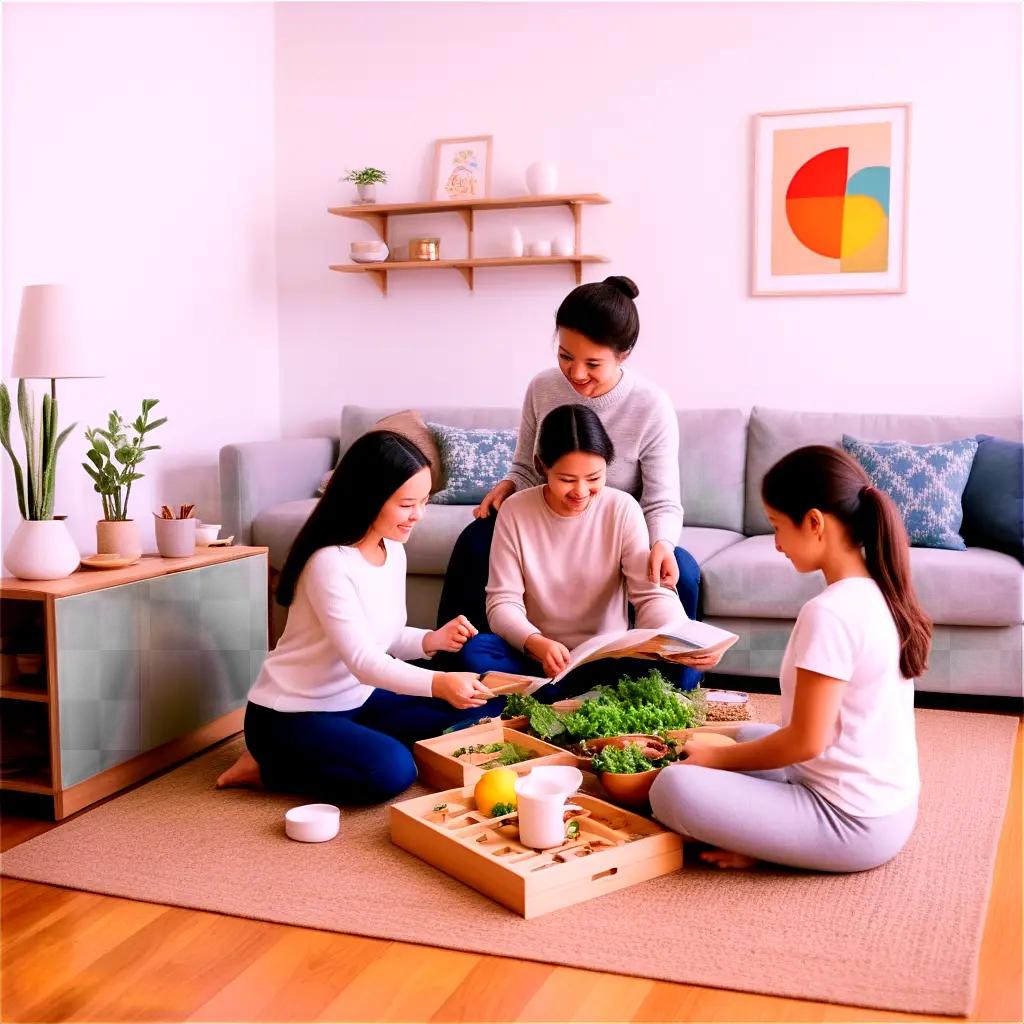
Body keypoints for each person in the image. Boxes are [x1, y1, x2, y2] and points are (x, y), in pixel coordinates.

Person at [649, 445, 931, 873]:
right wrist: (724, 753)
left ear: (815, 522)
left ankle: (777, 846)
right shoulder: (878, 590)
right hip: (888, 805)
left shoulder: (830, 613)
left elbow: (805, 742)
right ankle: (775, 834)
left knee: (673, 786)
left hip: (853, 823)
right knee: (743, 735)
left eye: (778, 526)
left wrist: (716, 761)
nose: (777, 544)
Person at [216, 430, 504, 804]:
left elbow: (384, 634)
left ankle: (343, 748)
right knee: (393, 772)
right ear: (368, 498)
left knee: (487, 702)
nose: (418, 515)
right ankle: (267, 766)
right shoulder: (329, 564)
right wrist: (439, 681)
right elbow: (364, 661)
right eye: (406, 504)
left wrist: (430, 640)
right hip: (292, 716)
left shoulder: (393, 549)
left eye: (424, 501)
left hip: (358, 700)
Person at [437, 275, 701, 642]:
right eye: (565, 356)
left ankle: (676, 670)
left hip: (615, 532)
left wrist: (661, 545)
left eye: (593, 364)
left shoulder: (650, 405)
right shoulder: (542, 388)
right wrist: (510, 485)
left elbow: (661, 500)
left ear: (622, 356)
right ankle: (456, 660)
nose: (576, 374)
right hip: (549, 519)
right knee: (474, 542)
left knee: (680, 573)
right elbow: (528, 467)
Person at [459, 404, 721, 700]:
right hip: (538, 657)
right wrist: (536, 642)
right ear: (541, 465)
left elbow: (650, 594)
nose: (581, 491)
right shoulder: (516, 511)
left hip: (607, 658)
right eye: (567, 480)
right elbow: (502, 602)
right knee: (477, 652)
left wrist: (680, 638)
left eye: (594, 478)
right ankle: (585, 695)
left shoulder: (622, 508)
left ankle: (552, 696)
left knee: (684, 668)